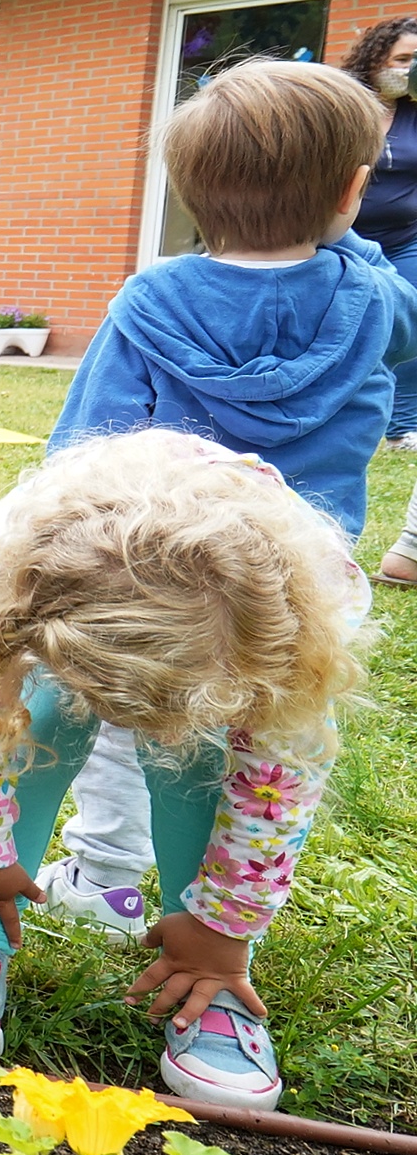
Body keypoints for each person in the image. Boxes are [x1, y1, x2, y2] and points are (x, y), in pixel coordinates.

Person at [32, 60, 415, 938]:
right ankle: (211, 913)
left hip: (154, 572)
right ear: (353, 189)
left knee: (121, 714)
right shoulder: (377, 300)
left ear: (188, 191)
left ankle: (105, 877)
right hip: (296, 587)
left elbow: (83, 450)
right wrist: (349, 239)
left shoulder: (150, 300)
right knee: (252, 746)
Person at [0, 430, 367, 1109]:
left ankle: (206, 971)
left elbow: (279, 788)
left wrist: (225, 928)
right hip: (65, 609)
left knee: (199, 759)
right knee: (41, 718)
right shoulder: (13, 575)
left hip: (234, 641)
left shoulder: (300, 619)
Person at [335, 16, 417, 457]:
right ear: (376, 59)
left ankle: (403, 428)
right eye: (402, 59)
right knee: (344, 325)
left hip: (406, 239)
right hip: (341, 238)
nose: (409, 69)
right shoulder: (343, 105)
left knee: (410, 323)